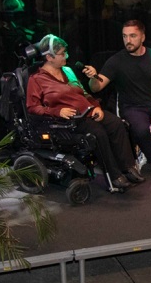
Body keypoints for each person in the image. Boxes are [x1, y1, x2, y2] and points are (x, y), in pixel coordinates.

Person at [25, 34, 142, 192]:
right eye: (62, 54)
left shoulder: (68, 71)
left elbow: (84, 94)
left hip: (88, 111)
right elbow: (32, 107)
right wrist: (57, 111)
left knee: (116, 124)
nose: (66, 56)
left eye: (66, 52)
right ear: (49, 57)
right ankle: (114, 176)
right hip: (67, 121)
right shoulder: (37, 79)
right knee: (98, 133)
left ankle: (128, 168)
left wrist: (95, 106)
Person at [89, 20, 151, 178]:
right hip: (132, 107)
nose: (128, 40)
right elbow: (96, 87)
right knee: (141, 131)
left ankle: (146, 153)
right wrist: (93, 77)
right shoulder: (116, 61)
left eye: (133, 36)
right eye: (125, 36)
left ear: (142, 37)